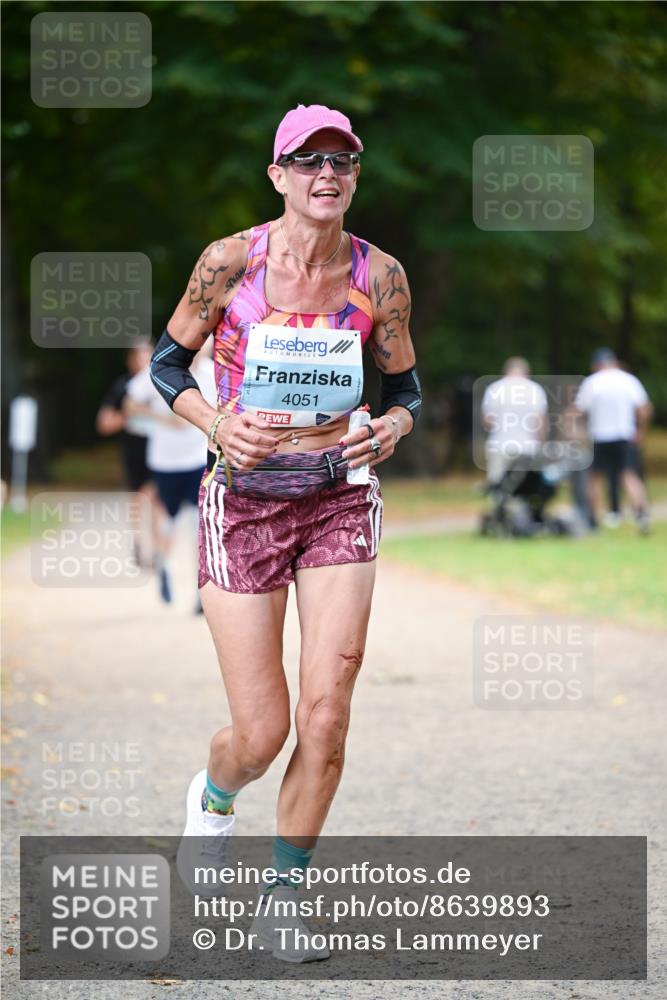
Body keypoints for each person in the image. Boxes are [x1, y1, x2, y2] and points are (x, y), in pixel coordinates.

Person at [148, 104, 421, 962]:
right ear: (278, 176)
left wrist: (392, 429)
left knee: (328, 713)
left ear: (354, 174)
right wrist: (216, 423)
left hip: (339, 492)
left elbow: (408, 391)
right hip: (246, 499)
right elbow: (166, 366)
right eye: (307, 162)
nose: (325, 175)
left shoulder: (380, 278)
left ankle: (283, 901)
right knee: (260, 733)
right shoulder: (230, 263)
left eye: (341, 161)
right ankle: (215, 797)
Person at [124, 341, 217, 607]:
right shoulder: (161, 370)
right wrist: (164, 418)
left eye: (207, 346)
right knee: (169, 520)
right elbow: (130, 405)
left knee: (200, 524)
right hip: (165, 460)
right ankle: (163, 565)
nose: (203, 350)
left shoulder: (213, 374)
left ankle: (201, 589)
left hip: (199, 459)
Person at [574, 348, 652, 533]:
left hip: (599, 437)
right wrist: (641, 431)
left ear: (596, 365)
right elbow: (644, 409)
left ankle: (592, 522)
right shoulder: (628, 380)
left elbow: (578, 410)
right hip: (624, 435)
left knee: (593, 479)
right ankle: (641, 517)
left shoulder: (592, 382)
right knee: (629, 475)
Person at [95, 341, 158, 566]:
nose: (143, 362)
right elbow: (103, 424)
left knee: (156, 498)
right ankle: (139, 544)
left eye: (147, 356)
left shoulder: (163, 383)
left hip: (163, 450)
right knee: (140, 498)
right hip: (135, 450)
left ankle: (157, 547)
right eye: (138, 357)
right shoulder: (123, 386)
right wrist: (128, 416)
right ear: (130, 360)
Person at [480, 357, 548, 486]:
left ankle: (500, 505)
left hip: (499, 444)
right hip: (527, 445)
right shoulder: (535, 389)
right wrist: (542, 444)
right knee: (521, 485)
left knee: (497, 483)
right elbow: (540, 422)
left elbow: (487, 421)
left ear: (505, 371)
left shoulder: (494, 388)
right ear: (527, 372)